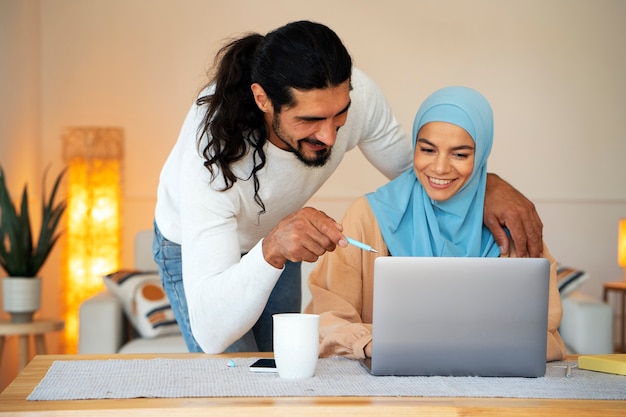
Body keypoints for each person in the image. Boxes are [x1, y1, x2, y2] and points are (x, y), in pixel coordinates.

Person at [153, 20, 545, 354]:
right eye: (310, 120)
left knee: (283, 367)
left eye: (338, 115)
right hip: (193, 244)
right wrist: (272, 247)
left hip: (275, 235)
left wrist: (486, 183)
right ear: (263, 99)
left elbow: (421, 171)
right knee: (233, 377)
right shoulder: (212, 155)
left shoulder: (359, 97)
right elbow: (212, 333)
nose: (328, 136)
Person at [304, 86, 566, 362]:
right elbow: (327, 315)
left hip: (488, 389)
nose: (440, 168)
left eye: (460, 154)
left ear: (481, 156)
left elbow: (544, 329)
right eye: (427, 150)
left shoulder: (512, 224)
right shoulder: (368, 216)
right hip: (387, 388)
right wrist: (368, 344)